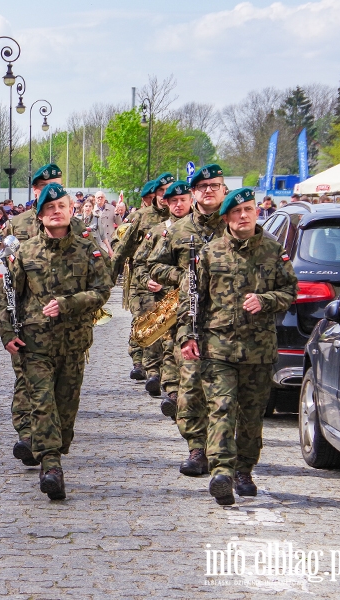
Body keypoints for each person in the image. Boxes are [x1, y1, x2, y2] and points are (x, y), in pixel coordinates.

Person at [178, 188, 297, 505]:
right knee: (222, 409)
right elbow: (192, 301)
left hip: (258, 351)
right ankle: (222, 472)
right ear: (227, 217)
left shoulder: (274, 251)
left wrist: (266, 299)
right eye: (237, 211)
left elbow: (290, 292)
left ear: (257, 212)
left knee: (251, 418)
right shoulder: (210, 253)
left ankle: (244, 471)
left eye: (249, 209)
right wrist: (187, 337)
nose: (244, 215)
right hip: (218, 349)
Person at [0, 183, 112, 501]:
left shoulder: (89, 249)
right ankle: (51, 466)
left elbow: (102, 290)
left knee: (65, 408)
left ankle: (56, 449)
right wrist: (7, 334)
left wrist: (69, 303)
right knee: (43, 405)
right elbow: (7, 297)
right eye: (49, 208)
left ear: (71, 210)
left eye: (61, 206)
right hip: (36, 344)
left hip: (73, 343)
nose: (56, 211)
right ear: (41, 217)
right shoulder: (26, 251)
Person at [147, 164, 228, 477]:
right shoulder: (178, 230)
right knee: (191, 387)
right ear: (194, 192)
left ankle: (221, 452)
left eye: (215, 185)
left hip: (228, 322)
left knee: (223, 392)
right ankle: (197, 448)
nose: (209, 191)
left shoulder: (235, 224)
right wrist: (183, 277)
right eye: (202, 186)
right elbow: (154, 266)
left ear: (223, 190)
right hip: (190, 319)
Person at [131, 181, 193, 407]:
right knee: (168, 344)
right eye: (173, 201)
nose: (178, 205)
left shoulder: (205, 230)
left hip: (195, 300)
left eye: (183, 200)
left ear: (191, 200)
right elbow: (140, 262)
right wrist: (147, 281)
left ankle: (176, 389)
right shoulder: (160, 231)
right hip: (165, 299)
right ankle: (170, 389)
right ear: (166, 203)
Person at [111, 176, 170, 383]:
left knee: (167, 326)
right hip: (142, 277)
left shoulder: (182, 216)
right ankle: (143, 363)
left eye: (168, 191)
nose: (164, 196)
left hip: (170, 280)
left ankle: (162, 371)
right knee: (144, 319)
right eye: (161, 191)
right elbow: (119, 244)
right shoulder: (140, 217)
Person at [93, 191, 117, 257]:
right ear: (95, 199)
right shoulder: (92, 210)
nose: (100, 199)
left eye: (102, 197)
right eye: (98, 197)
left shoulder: (112, 208)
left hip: (111, 240)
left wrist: (117, 214)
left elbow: (119, 223)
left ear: (105, 199)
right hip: (99, 241)